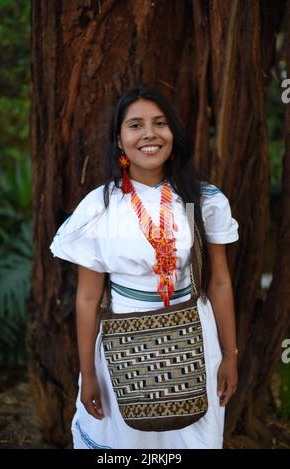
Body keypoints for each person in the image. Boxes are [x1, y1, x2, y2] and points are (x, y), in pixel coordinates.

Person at [49, 84, 239, 449]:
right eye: (135, 125)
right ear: (119, 141)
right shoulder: (101, 207)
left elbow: (219, 281)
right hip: (124, 339)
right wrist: (88, 374)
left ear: (173, 134)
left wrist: (230, 355)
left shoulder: (201, 199)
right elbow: (87, 298)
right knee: (126, 440)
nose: (149, 134)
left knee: (193, 436)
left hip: (195, 338)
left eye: (160, 123)